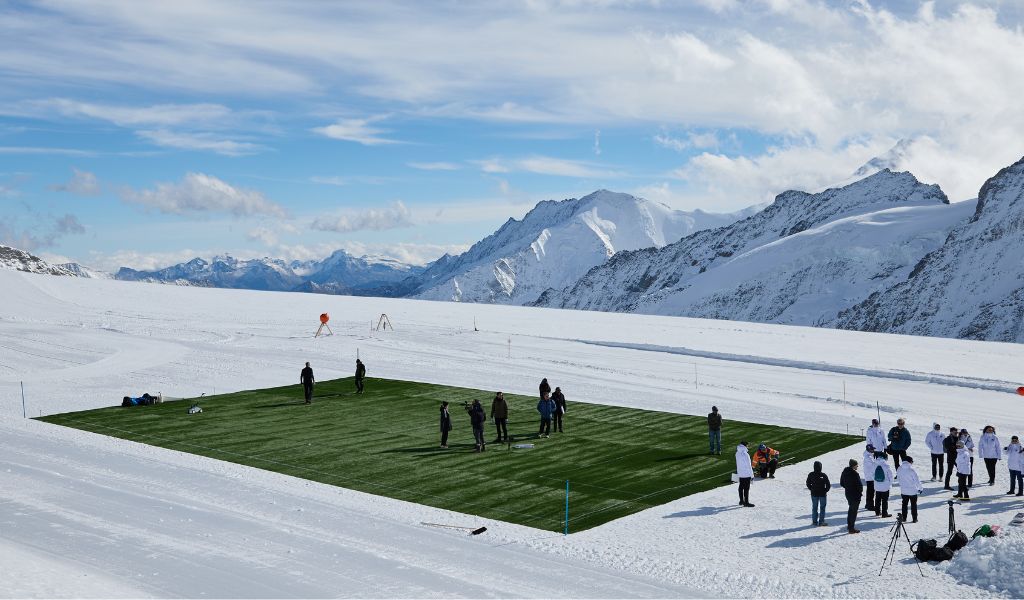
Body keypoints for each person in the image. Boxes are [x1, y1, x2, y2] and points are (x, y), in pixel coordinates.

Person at [897, 456, 923, 523]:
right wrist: (920, 488)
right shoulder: (911, 470)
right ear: (909, 462)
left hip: (904, 490)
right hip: (912, 491)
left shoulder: (899, 468)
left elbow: (899, 479)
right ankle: (914, 518)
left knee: (904, 504)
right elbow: (917, 481)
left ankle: (904, 518)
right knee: (913, 505)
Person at [840, 459, 863, 534]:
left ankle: (849, 525)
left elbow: (841, 483)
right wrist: (859, 492)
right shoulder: (855, 474)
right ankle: (851, 528)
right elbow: (860, 486)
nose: (857, 466)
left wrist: (848, 487)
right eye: (856, 465)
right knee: (853, 511)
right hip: (855, 495)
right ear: (853, 465)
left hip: (848, 493)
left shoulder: (844, 472)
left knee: (850, 510)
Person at [806, 461, 831, 526]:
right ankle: (821, 522)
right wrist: (825, 490)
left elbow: (808, 483)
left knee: (814, 508)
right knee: (822, 508)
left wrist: (811, 489)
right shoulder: (823, 475)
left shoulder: (811, 474)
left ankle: (814, 522)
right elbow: (828, 484)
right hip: (822, 494)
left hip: (814, 494)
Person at [872, 451, 894, 517]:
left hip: (877, 485)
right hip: (885, 486)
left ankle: (877, 512)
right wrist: (889, 484)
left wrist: (876, 482)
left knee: (877, 499)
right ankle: (884, 513)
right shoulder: (886, 465)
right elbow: (891, 476)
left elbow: (872, 475)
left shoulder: (874, 464)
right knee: (884, 500)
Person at [736, 441, 754, 507]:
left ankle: (741, 501)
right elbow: (749, 466)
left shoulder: (737, 453)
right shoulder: (746, 454)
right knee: (746, 488)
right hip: (746, 474)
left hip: (740, 473)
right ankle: (746, 502)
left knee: (741, 487)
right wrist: (752, 475)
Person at [943, 426, 960, 490]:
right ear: (951, 432)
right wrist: (956, 447)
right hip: (951, 457)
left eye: (956, 431)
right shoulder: (948, 439)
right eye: (954, 431)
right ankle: (946, 485)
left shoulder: (957, 438)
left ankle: (960, 484)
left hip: (957, 457)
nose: (956, 432)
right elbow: (948, 447)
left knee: (961, 470)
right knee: (949, 472)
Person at [862, 444, 877, 511]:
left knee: (869, 491)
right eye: (872, 449)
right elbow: (874, 466)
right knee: (870, 492)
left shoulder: (868, 456)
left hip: (869, 476)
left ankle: (867, 504)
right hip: (870, 477)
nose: (874, 450)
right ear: (869, 449)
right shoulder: (868, 458)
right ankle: (870, 505)